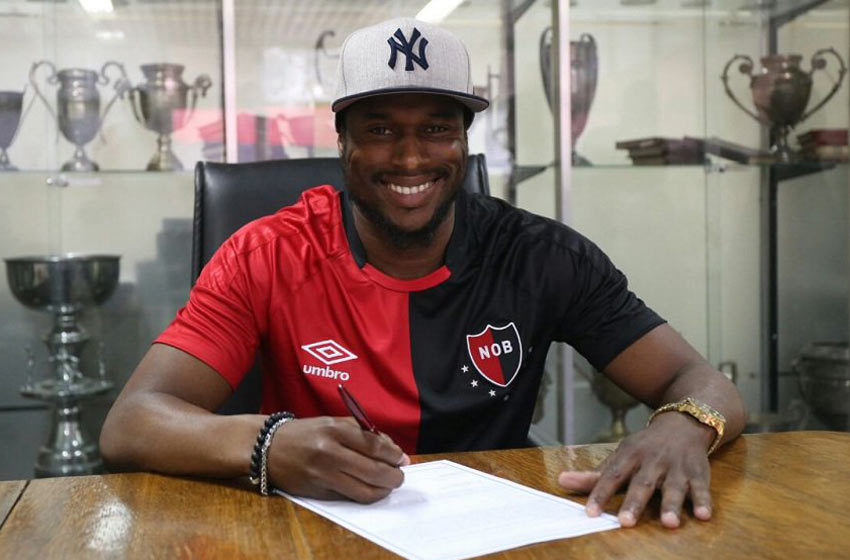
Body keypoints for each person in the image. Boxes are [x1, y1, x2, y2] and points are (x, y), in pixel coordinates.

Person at [100, 17, 745, 529]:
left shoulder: (541, 255)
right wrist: (270, 444)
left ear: (464, 141)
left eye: (436, 129)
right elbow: (131, 422)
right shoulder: (265, 254)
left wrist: (682, 425)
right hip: (310, 531)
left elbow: (703, 382)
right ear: (342, 141)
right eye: (380, 129)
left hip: (496, 532)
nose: (410, 158)